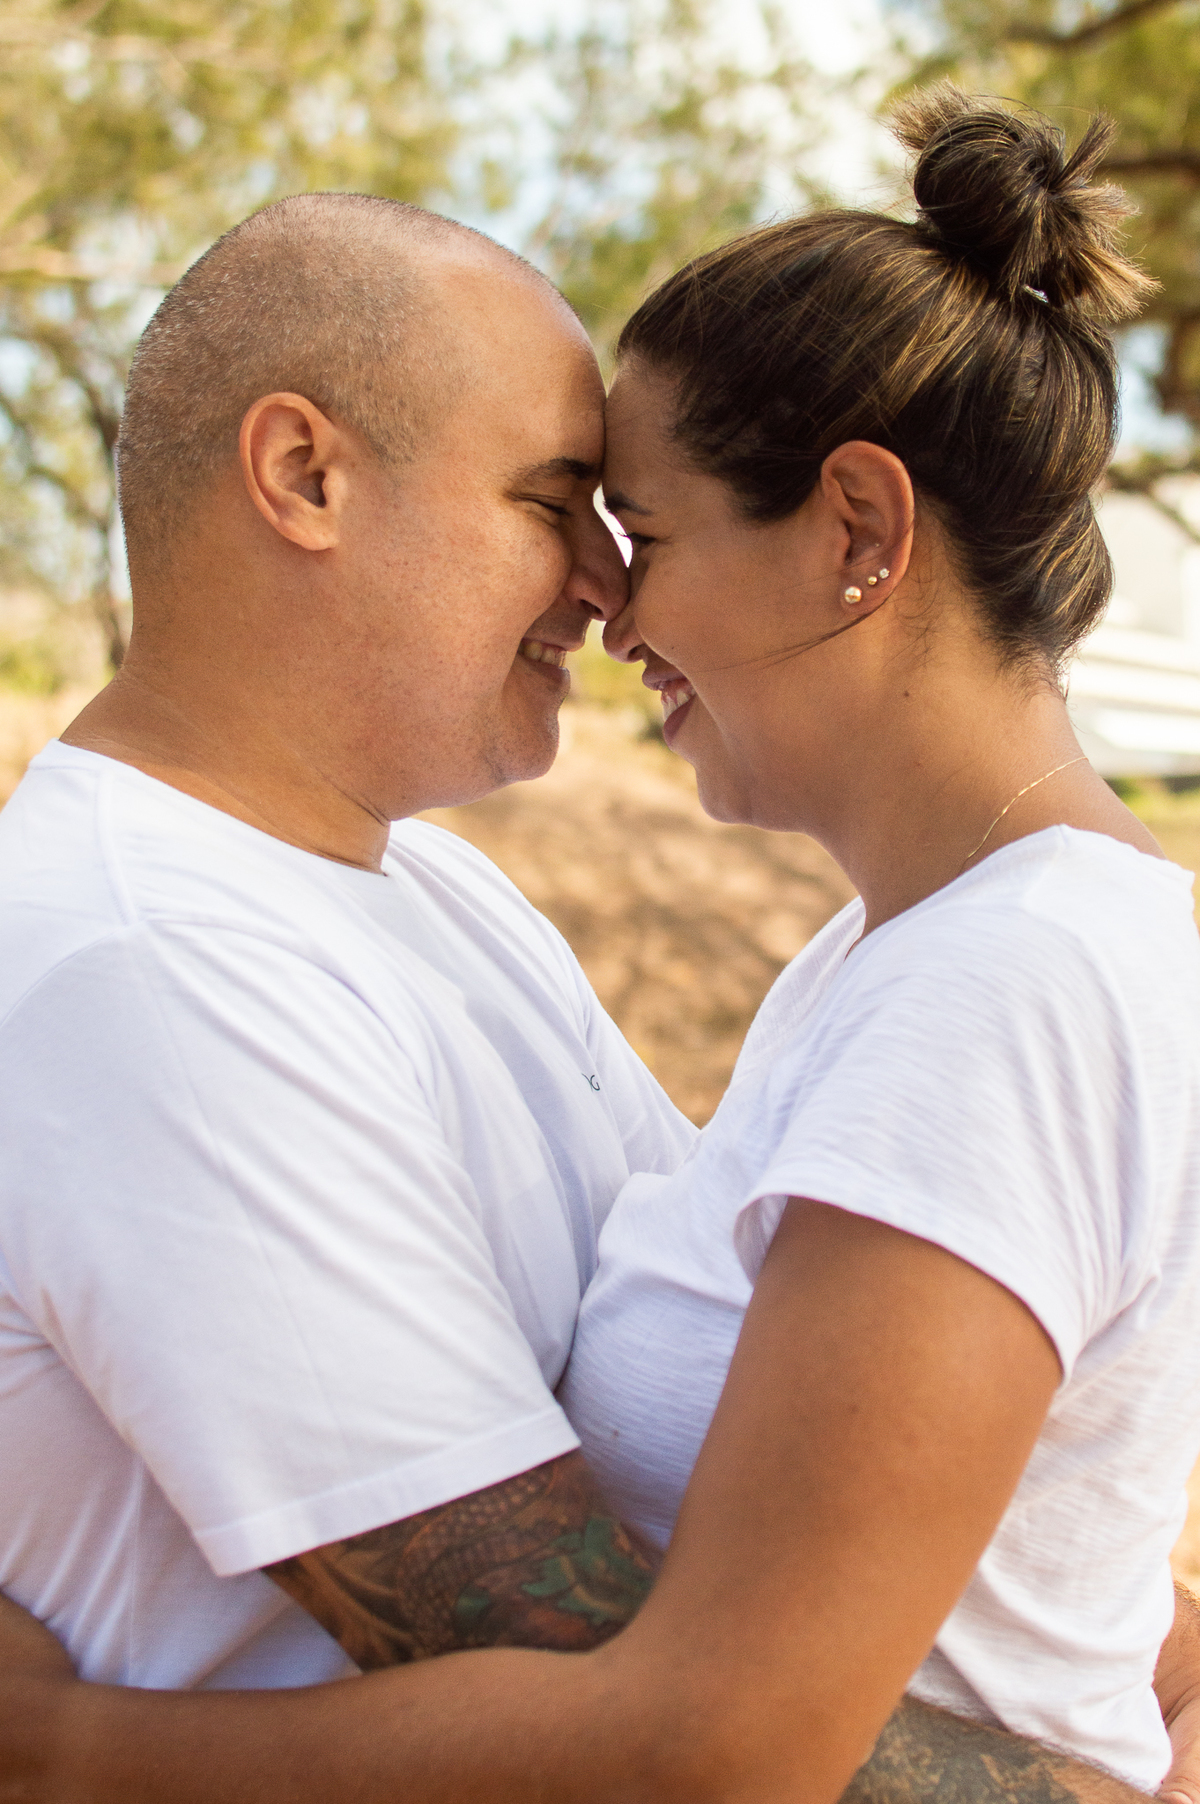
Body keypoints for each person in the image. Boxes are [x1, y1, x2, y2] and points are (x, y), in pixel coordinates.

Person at [2, 96, 1200, 1804]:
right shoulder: (153, 965)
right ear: (303, 476)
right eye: (558, 500)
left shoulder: (455, 902)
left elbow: (776, 1642)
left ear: (859, 534)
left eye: (630, 521)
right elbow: (652, 1663)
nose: (603, 589)